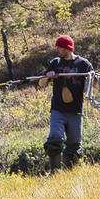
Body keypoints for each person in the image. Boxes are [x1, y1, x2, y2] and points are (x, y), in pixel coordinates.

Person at [39, 35, 94, 173]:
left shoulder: (83, 64)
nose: (57, 50)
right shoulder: (55, 63)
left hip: (76, 111)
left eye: (59, 47)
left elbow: (96, 85)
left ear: (67, 48)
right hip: (58, 110)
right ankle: (55, 172)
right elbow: (41, 83)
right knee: (55, 139)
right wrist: (48, 77)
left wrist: (92, 76)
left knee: (74, 145)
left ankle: (70, 173)